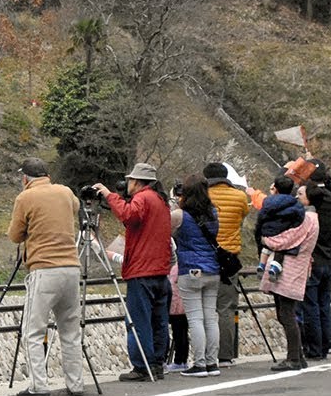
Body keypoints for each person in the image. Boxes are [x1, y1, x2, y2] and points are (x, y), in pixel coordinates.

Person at [7, 157, 85, 396]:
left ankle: (39, 385)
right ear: (47, 176)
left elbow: (15, 235)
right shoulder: (65, 192)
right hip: (71, 267)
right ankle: (76, 384)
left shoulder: (25, 197)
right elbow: (76, 207)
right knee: (70, 331)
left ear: (25, 178)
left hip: (44, 269)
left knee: (33, 330)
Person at [92, 162, 172, 382]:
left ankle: (141, 365)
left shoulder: (143, 198)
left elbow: (129, 215)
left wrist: (109, 195)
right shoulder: (161, 201)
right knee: (159, 320)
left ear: (136, 181)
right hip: (160, 269)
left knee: (139, 320)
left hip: (141, 270)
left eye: (129, 181)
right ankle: (156, 363)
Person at [259, 183, 320, 371]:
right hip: (296, 267)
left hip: (290, 268)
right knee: (285, 313)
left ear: (309, 198)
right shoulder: (312, 217)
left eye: (301, 194)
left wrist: (267, 239)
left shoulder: (307, 218)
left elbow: (287, 240)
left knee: (286, 314)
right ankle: (298, 355)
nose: (297, 197)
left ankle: (293, 358)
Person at [171, 175, 221, 377]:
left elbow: (167, 231)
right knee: (210, 317)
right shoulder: (214, 213)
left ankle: (199, 364)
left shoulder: (179, 215)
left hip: (190, 270)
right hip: (213, 269)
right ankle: (212, 362)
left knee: (195, 318)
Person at [204, 162, 251, 367]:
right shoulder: (240, 197)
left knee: (203, 308)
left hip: (205, 256)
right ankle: (225, 355)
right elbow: (242, 217)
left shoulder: (201, 197)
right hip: (229, 259)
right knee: (226, 308)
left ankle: (205, 355)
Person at [301, 168, 331, 360]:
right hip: (329, 259)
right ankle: (326, 344)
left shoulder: (311, 209)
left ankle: (314, 348)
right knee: (324, 304)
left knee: (311, 306)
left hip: (314, 260)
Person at [254, 176, 305, 274]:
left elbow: (261, 218)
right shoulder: (296, 204)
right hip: (284, 235)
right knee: (281, 246)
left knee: (266, 248)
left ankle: (262, 264)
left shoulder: (267, 202)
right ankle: (276, 265)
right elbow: (300, 219)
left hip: (267, 233)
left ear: (275, 188)